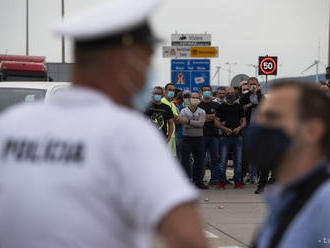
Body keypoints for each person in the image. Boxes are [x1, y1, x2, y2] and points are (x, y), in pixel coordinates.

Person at [0, 1, 208, 248]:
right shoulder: (126, 133)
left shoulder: (11, 126)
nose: (148, 74)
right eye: (146, 62)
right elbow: (187, 238)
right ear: (123, 63)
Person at [246, 81, 330, 248]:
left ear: (312, 130)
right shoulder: (284, 197)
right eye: (260, 117)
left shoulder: (325, 202)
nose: (260, 125)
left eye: (272, 117)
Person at [215, 87, 246, 189]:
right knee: (223, 161)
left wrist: (239, 128)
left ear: (235, 94)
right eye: (228, 93)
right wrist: (224, 129)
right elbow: (216, 122)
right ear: (225, 94)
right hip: (225, 137)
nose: (230, 94)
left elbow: (244, 121)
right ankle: (221, 182)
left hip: (238, 137)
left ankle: (238, 182)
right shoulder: (221, 107)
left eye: (232, 93)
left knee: (238, 161)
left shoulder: (239, 106)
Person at [179, 92, 207, 189]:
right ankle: (185, 181)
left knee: (199, 161)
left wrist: (189, 121)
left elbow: (201, 124)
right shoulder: (183, 111)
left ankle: (198, 181)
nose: (195, 99)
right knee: (185, 160)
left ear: (199, 99)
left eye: (197, 97)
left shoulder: (202, 111)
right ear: (189, 99)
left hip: (199, 138)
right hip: (187, 138)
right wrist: (193, 123)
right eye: (193, 97)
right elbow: (183, 124)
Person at [198, 85, 221, 185]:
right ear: (201, 92)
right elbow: (199, 119)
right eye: (205, 91)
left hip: (214, 135)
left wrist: (205, 117)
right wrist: (209, 117)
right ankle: (201, 178)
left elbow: (217, 118)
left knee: (215, 158)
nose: (207, 92)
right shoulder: (198, 105)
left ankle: (214, 179)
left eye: (208, 91)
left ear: (211, 92)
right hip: (201, 135)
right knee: (201, 158)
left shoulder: (216, 105)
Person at [162, 83, 179, 156]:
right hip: (165, 136)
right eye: (170, 90)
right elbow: (175, 117)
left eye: (173, 90)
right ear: (165, 91)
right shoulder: (162, 102)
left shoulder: (172, 104)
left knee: (171, 158)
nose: (172, 92)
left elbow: (176, 119)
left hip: (172, 136)